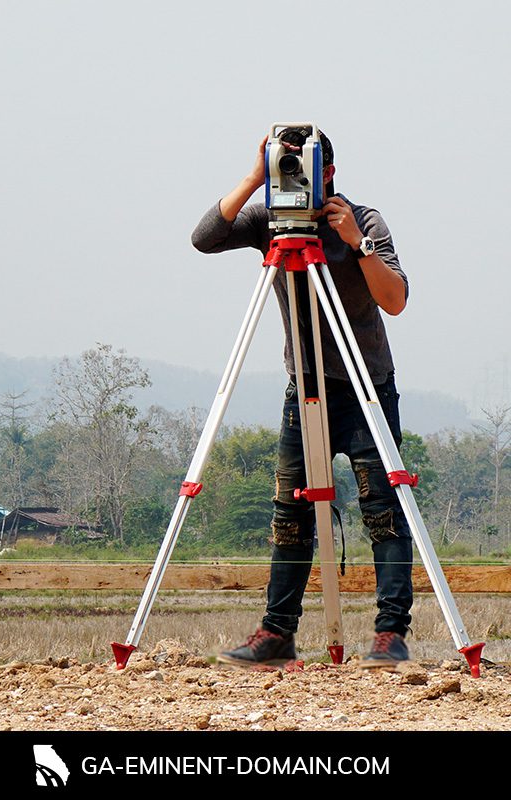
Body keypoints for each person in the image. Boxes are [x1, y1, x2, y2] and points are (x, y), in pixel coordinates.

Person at [190, 127, 413, 668]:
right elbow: (204, 237)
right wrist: (254, 178)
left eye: (300, 168)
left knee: (383, 511)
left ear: (329, 173)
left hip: (365, 389)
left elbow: (396, 300)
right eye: (284, 168)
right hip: (305, 388)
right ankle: (277, 632)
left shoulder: (364, 220)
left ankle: (390, 633)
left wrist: (356, 242)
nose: (293, 179)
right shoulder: (269, 220)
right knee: (290, 514)